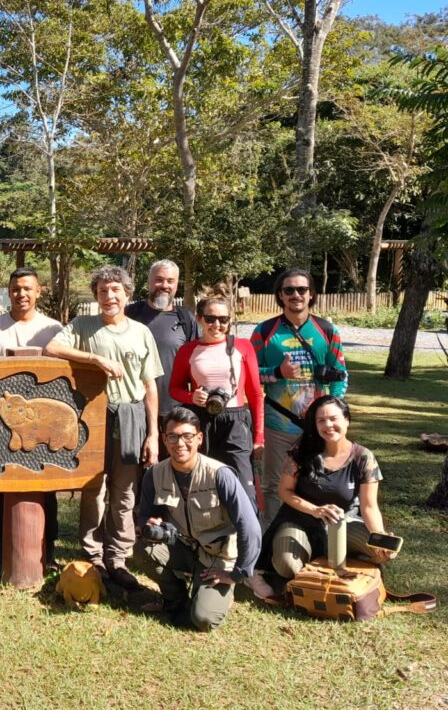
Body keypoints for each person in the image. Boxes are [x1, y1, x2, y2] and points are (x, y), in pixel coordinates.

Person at [44, 266, 161, 590]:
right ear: (96, 295)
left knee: (124, 490)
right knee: (94, 487)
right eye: (103, 291)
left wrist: (152, 434)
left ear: (126, 294)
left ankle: (118, 557)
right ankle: (93, 554)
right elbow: (51, 349)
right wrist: (93, 359)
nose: (109, 296)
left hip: (130, 415)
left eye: (115, 290)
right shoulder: (83, 326)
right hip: (93, 416)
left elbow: (150, 386)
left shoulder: (140, 332)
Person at [135, 408, 266, 631]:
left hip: (217, 556)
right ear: (165, 439)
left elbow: (250, 527)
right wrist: (148, 524)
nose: (180, 443)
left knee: (203, 619)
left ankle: (218, 593)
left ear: (199, 439)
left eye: (187, 436)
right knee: (141, 550)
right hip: (183, 546)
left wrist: (237, 574)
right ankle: (175, 598)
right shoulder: (154, 474)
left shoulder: (220, 474)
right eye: (173, 436)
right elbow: (145, 516)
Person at [0, 267, 64, 569]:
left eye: (28, 288)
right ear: (8, 292)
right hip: (2, 422)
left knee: (46, 484)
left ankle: (47, 549)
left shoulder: (53, 329)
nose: (21, 294)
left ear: (39, 291)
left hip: (40, 422)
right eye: (16, 288)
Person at [251, 269, 348, 530]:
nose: (296, 295)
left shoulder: (327, 330)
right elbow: (249, 375)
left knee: (315, 484)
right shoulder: (265, 331)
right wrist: (276, 373)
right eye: (289, 290)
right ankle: (270, 539)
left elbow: (340, 375)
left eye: (302, 290)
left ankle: (312, 536)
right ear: (280, 295)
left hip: (317, 427)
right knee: (272, 486)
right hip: (277, 424)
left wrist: (335, 411)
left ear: (312, 294)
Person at [264, 396, 397, 579]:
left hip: (343, 524)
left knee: (382, 552)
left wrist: (379, 535)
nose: (328, 425)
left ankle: (344, 555)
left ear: (346, 420)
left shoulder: (364, 457)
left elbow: (369, 506)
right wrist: (316, 510)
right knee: (287, 566)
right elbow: (284, 491)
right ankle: (320, 557)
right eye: (321, 420)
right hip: (300, 520)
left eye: (333, 419)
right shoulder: (301, 452)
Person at [169, 291, 264, 507]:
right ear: (200, 319)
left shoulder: (243, 347)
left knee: (243, 489)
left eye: (223, 319)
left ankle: (248, 537)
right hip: (201, 420)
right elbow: (174, 389)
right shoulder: (188, 351)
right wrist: (191, 396)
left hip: (236, 421)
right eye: (210, 319)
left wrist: (259, 438)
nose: (217, 325)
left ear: (230, 320)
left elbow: (256, 394)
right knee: (203, 484)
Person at [126, 260, 198, 427]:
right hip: (134, 409)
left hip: (174, 411)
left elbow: (198, 362)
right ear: (149, 282)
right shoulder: (130, 315)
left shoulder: (186, 319)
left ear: (176, 285)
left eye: (170, 281)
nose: (164, 285)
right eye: (159, 279)